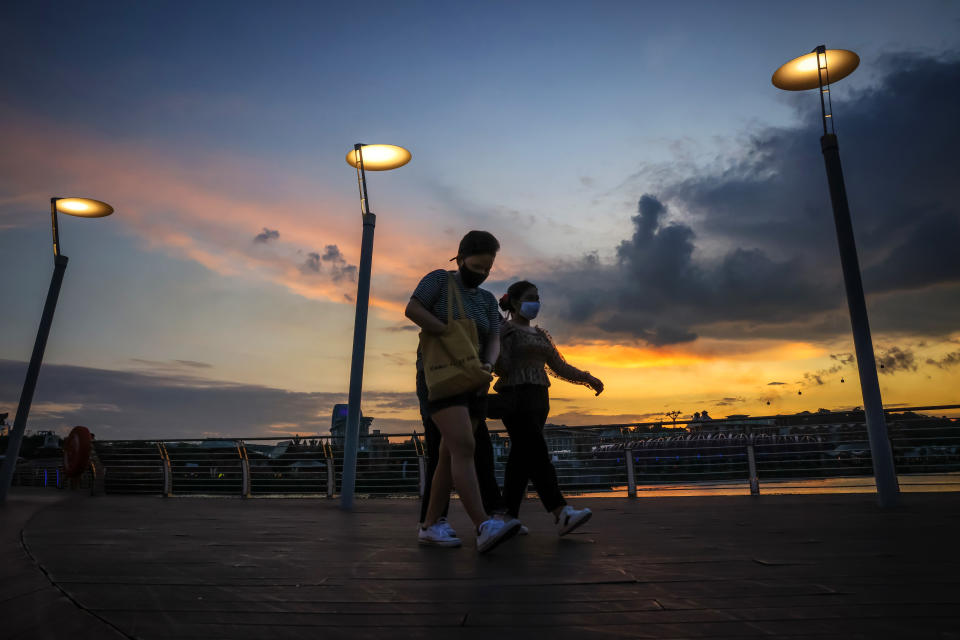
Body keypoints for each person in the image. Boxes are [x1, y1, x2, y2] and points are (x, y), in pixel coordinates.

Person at [405, 231, 521, 553]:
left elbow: (494, 337)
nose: (482, 273)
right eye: (477, 265)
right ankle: (483, 524)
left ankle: (429, 525)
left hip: (474, 379)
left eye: (488, 268)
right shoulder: (439, 281)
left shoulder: (485, 300)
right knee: (465, 445)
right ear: (460, 256)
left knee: (448, 452)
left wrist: (488, 363)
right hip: (440, 378)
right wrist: (446, 332)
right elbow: (412, 309)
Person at [495, 280, 604, 536]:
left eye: (538, 297)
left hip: (539, 398)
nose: (536, 303)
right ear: (514, 302)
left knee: (521, 457)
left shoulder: (541, 334)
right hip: (515, 396)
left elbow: (559, 366)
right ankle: (560, 510)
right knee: (537, 452)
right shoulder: (505, 330)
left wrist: (587, 378)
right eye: (530, 297)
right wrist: (501, 341)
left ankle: (507, 517)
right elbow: (502, 368)